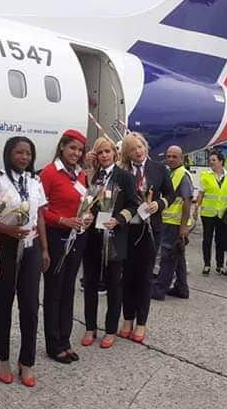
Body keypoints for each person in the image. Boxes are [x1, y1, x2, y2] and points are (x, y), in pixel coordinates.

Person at [0, 136, 49, 387]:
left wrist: (45, 249)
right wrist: (7, 232)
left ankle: (27, 362)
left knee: (29, 307)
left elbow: (40, 217)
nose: (24, 157)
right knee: (3, 305)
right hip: (6, 247)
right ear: (9, 154)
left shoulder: (35, 181)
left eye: (28, 153)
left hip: (31, 248)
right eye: (19, 153)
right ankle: (2, 359)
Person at [81, 136, 138, 349]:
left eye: (107, 151)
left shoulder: (124, 177)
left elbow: (134, 204)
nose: (104, 155)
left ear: (114, 153)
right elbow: (85, 200)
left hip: (114, 237)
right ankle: (90, 326)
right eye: (100, 152)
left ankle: (111, 329)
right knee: (90, 284)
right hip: (93, 238)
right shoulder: (92, 177)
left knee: (114, 285)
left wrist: (120, 219)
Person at [119, 132, 175, 343]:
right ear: (127, 153)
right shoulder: (122, 171)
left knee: (144, 278)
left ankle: (141, 322)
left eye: (140, 146)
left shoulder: (159, 169)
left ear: (146, 146)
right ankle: (127, 318)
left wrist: (159, 204)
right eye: (133, 149)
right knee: (127, 277)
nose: (138, 151)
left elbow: (171, 194)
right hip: (129, 230)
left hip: (151, 230)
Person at [40, 129, 89, 364]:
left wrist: (86, 216)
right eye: (72, 148)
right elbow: (41, 210)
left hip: (76, 236)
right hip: (57, 235)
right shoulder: (50, 173)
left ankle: (65, 340)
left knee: (68, 289)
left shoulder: (80, 175)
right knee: (54, 290)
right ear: (62, 147)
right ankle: (53, 343)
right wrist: (63, 220)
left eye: (79, 150)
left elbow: (85, 202)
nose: (76, 153)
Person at [152, 145, 194, 300]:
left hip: (175, 223)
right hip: (169, 221)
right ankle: (181, 288)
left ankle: (160, 289)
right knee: (178, 256)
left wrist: (183, 227)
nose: (170, 159)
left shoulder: (182, 175)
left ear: (181, 158)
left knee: (168, 256)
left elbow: (187, 201)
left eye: (174, 157)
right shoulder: (171, 172)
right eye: (168, 156)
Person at [194, 151, 227, 276]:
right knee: (207, 239)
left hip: (222, 213)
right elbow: (201, 193)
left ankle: (220, 265)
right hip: (208, 212)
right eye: (210, 160)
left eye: (213, 160)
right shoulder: (205, 175)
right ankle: (207, 264)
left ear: (221, 161)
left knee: (220, 240)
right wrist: (196, 208)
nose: (211, 162)